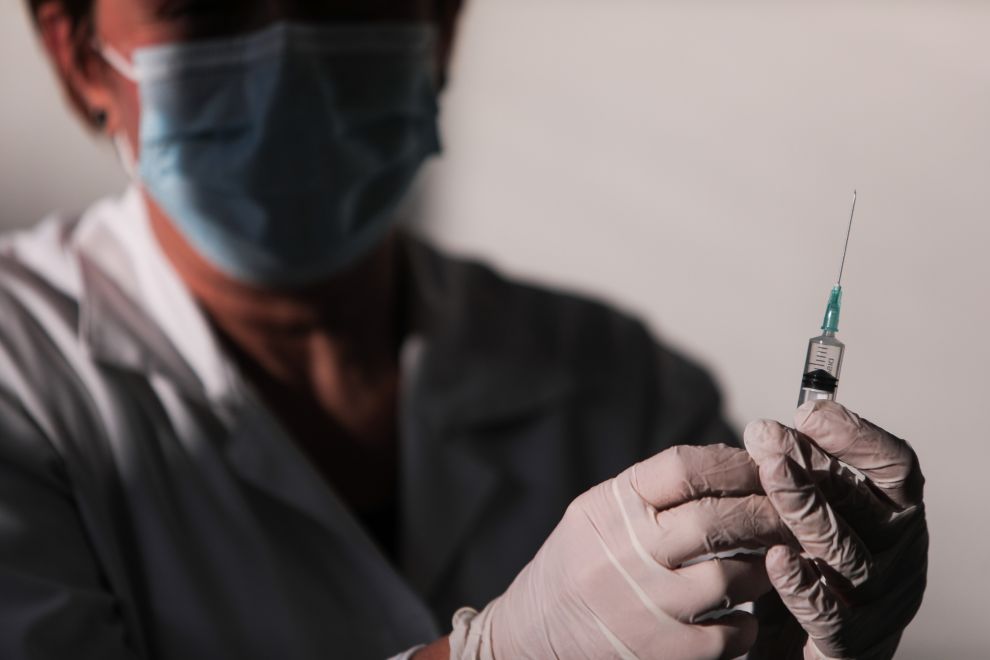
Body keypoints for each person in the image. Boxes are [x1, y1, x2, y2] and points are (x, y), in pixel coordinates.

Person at [0, 0, 928, 658]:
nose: (290, 70)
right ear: (79, 55)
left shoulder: (627, 384)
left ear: (439, 28)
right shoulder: (21, 372)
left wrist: (813, 644)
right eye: (207, 9)